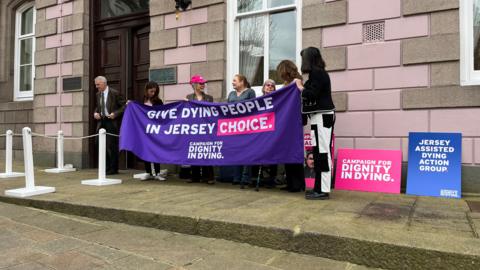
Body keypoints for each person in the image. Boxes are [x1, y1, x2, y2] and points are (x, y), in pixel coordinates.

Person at [298, 47, 336, 200]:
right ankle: (319, 187)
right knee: (319, 151)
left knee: (322, 152)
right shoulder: (317, 74)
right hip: (318, 117)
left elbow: (312, 94)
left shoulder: (318, 73)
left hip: (322, 116)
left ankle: (322, 189)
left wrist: (300, 87)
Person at [276, 60, 305, 193]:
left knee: (294, 151)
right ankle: (291, 182)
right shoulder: (286, 85)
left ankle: (297, 184)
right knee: (287, 151)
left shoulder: (296, 81)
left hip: (294, 121)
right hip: (287, 122)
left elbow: (302, 94)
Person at [93, 76, 126, 175]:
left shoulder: (114, 93)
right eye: (96, 84)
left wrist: (115, 114)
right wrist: (95, 113)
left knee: (111, 145)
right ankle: (105, 167)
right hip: (101, 121)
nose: (96, 86)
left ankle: (113, 168)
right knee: (99, 143)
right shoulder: (98, 94)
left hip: (111, 121)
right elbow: (98, 107)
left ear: (104, 83)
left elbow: (124, 106)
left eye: (98, 84)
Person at [186, 75, 215, 185]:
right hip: (193, 129)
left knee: (206, 151)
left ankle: (209, 177)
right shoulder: (188, 98)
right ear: (194, 85)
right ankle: (195, 176)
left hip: (206, 128)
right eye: (200, 83)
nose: (203, 85)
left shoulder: (209, 98)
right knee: (194, 151)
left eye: (203, 83)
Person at [228, 74, 256, 188]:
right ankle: (236, 177)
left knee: (247, 151)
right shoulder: (231, 94)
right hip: (234, 127)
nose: (232, 83)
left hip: (247, 127)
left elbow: (254, 107)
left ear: (242, 82)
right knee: (236, 151)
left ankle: (246, 178)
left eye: (235, 81)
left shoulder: (250, 92)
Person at [251, 79, 278, 188]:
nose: (270, 87)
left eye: (272, 86)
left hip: (272, 130)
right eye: (268, 85)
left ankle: (271, 179)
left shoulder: (277, 100)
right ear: (263, 87)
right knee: (256, 153)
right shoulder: (258, 100)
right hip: (260, 131)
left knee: (273, 154)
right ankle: (256, 178)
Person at [137, 81, 165, 181]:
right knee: (145, 150)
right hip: (144, 129)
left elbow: (162, 114)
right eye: (151, 91)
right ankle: (148, 172)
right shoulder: (141, 100)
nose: (153, 93)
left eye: (155, 92)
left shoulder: (158, 102)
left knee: (155, 150)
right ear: (147, 90)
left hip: (154, 129)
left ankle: (157, 173)